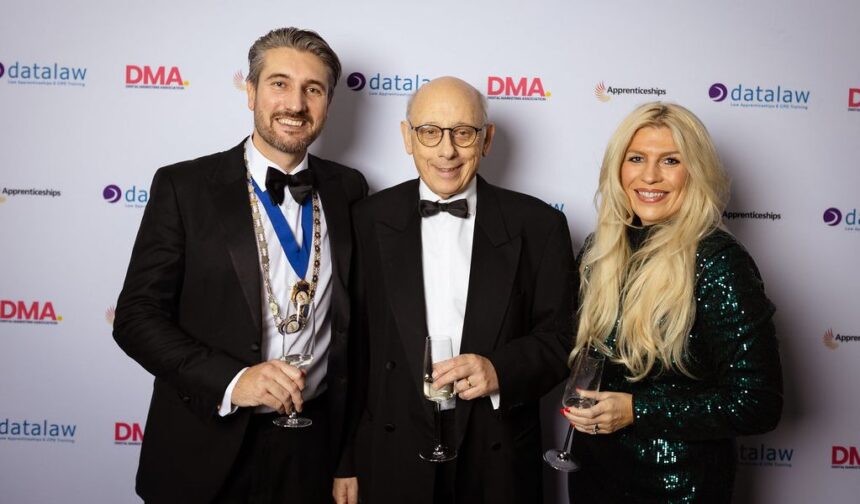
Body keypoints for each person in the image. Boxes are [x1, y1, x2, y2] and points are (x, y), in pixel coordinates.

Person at [113, 27, 367, 504]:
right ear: (250, 91)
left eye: (313, 89)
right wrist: (234, 381)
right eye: (279, 84)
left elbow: (355, 334)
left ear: (329, 102)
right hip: (204, 446)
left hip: (312, 450)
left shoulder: (350, 189)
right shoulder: (183, 187)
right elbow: (135, 318)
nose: (295, 103)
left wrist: (348, 455)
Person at [334, 76, 577, 504]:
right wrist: (345, 461)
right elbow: (349, 351)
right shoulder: (366, 220)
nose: (447, 150)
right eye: (430, 132)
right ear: (408, 138)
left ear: (486, 140)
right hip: (391, 455)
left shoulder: (539, 225)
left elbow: (563, 339)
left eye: (463, 133)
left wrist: (499, 370)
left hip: (495, 456)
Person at [562, 102, 783, 503]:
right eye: (636, 158)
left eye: (670, 161)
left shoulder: (717, 261)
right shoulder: (600, 251)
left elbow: (758, 403)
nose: (650, 175)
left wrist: (638, 411)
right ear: (618, 168)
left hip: (679, 485)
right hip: (594, 473)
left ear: (694, 172)